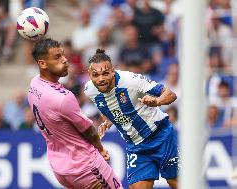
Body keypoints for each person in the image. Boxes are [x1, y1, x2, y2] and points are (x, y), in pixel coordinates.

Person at [27, 38, 123, 189]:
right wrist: (100, 148)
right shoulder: (63, 98)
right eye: (57, 57)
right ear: (42, 63)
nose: (65, 60)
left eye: (63, 55)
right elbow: (88, 130)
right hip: (86, 166)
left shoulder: (34, 84)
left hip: (61, 168)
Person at [84, 49, 178, 189]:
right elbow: (109, 107)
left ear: (112, 71)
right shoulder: (89, 90)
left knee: (176, 182)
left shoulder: (131, 81)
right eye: (95, 75)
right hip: (135, 146)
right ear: (89, 74)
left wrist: (157, 101)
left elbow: (170, 95)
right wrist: (109, 121)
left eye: (105, 73)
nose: (101, 79)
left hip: (161, 136)